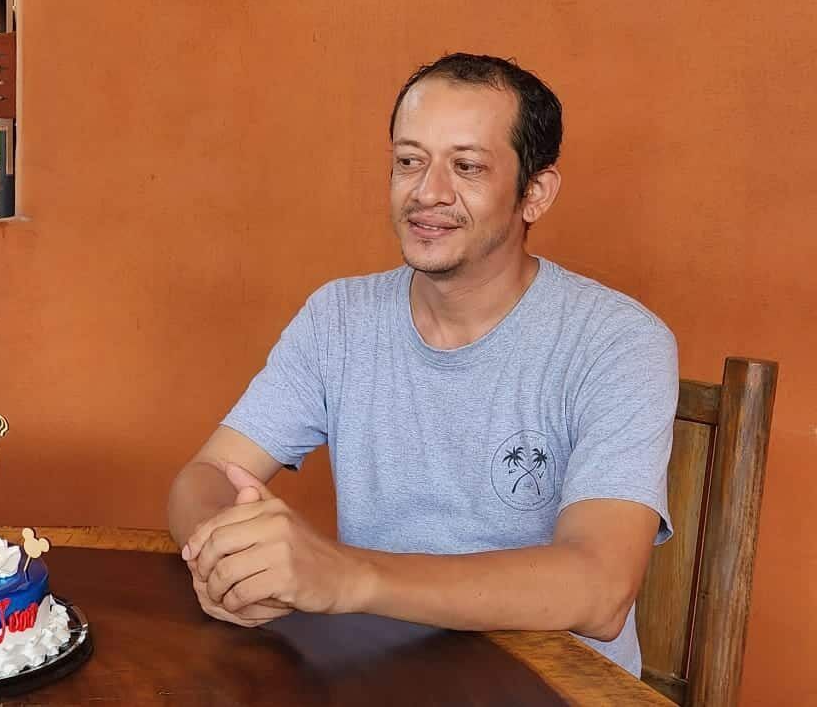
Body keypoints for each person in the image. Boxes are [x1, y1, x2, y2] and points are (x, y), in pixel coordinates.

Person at [167, 53, 677, 676]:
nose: (427, 192)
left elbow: (599, 590)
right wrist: (222, 556)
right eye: (409, 161)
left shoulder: (617, 341)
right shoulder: (340, 317)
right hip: (378, 674)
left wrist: (347, 577)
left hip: (552, 686)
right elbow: (206, 475)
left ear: (534, 193)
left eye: (466, 166)